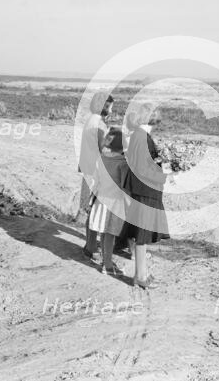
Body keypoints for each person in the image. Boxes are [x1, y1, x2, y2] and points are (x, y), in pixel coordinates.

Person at [122, 103, 174, 289]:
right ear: (154, 119)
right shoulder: (143, 137)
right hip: (145, 191)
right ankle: (140, 276)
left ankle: (141, 273)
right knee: (142, 235)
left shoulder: (138, 135)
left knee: (141, 235)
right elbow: (143, 168)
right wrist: (164, 175)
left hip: (139, 190)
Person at [77, 92, 114, 260]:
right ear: (104, 106)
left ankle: (90, 245)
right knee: (94, 210)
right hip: (95, 172)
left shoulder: (90, 120)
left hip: (88, 169)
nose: (112, 111)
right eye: (110, 107)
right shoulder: (98, 124)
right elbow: (103, 149)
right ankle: (91, 248)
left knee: (91, 209)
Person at [87, 127, 128, 275]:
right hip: (114, 203)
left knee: (104, 233)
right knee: (110, 234)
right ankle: (108, 266)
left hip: (101, 200)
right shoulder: (123, 163)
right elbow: (125, 186)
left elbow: (95, 182)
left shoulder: (100, 159)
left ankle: (106, 261)